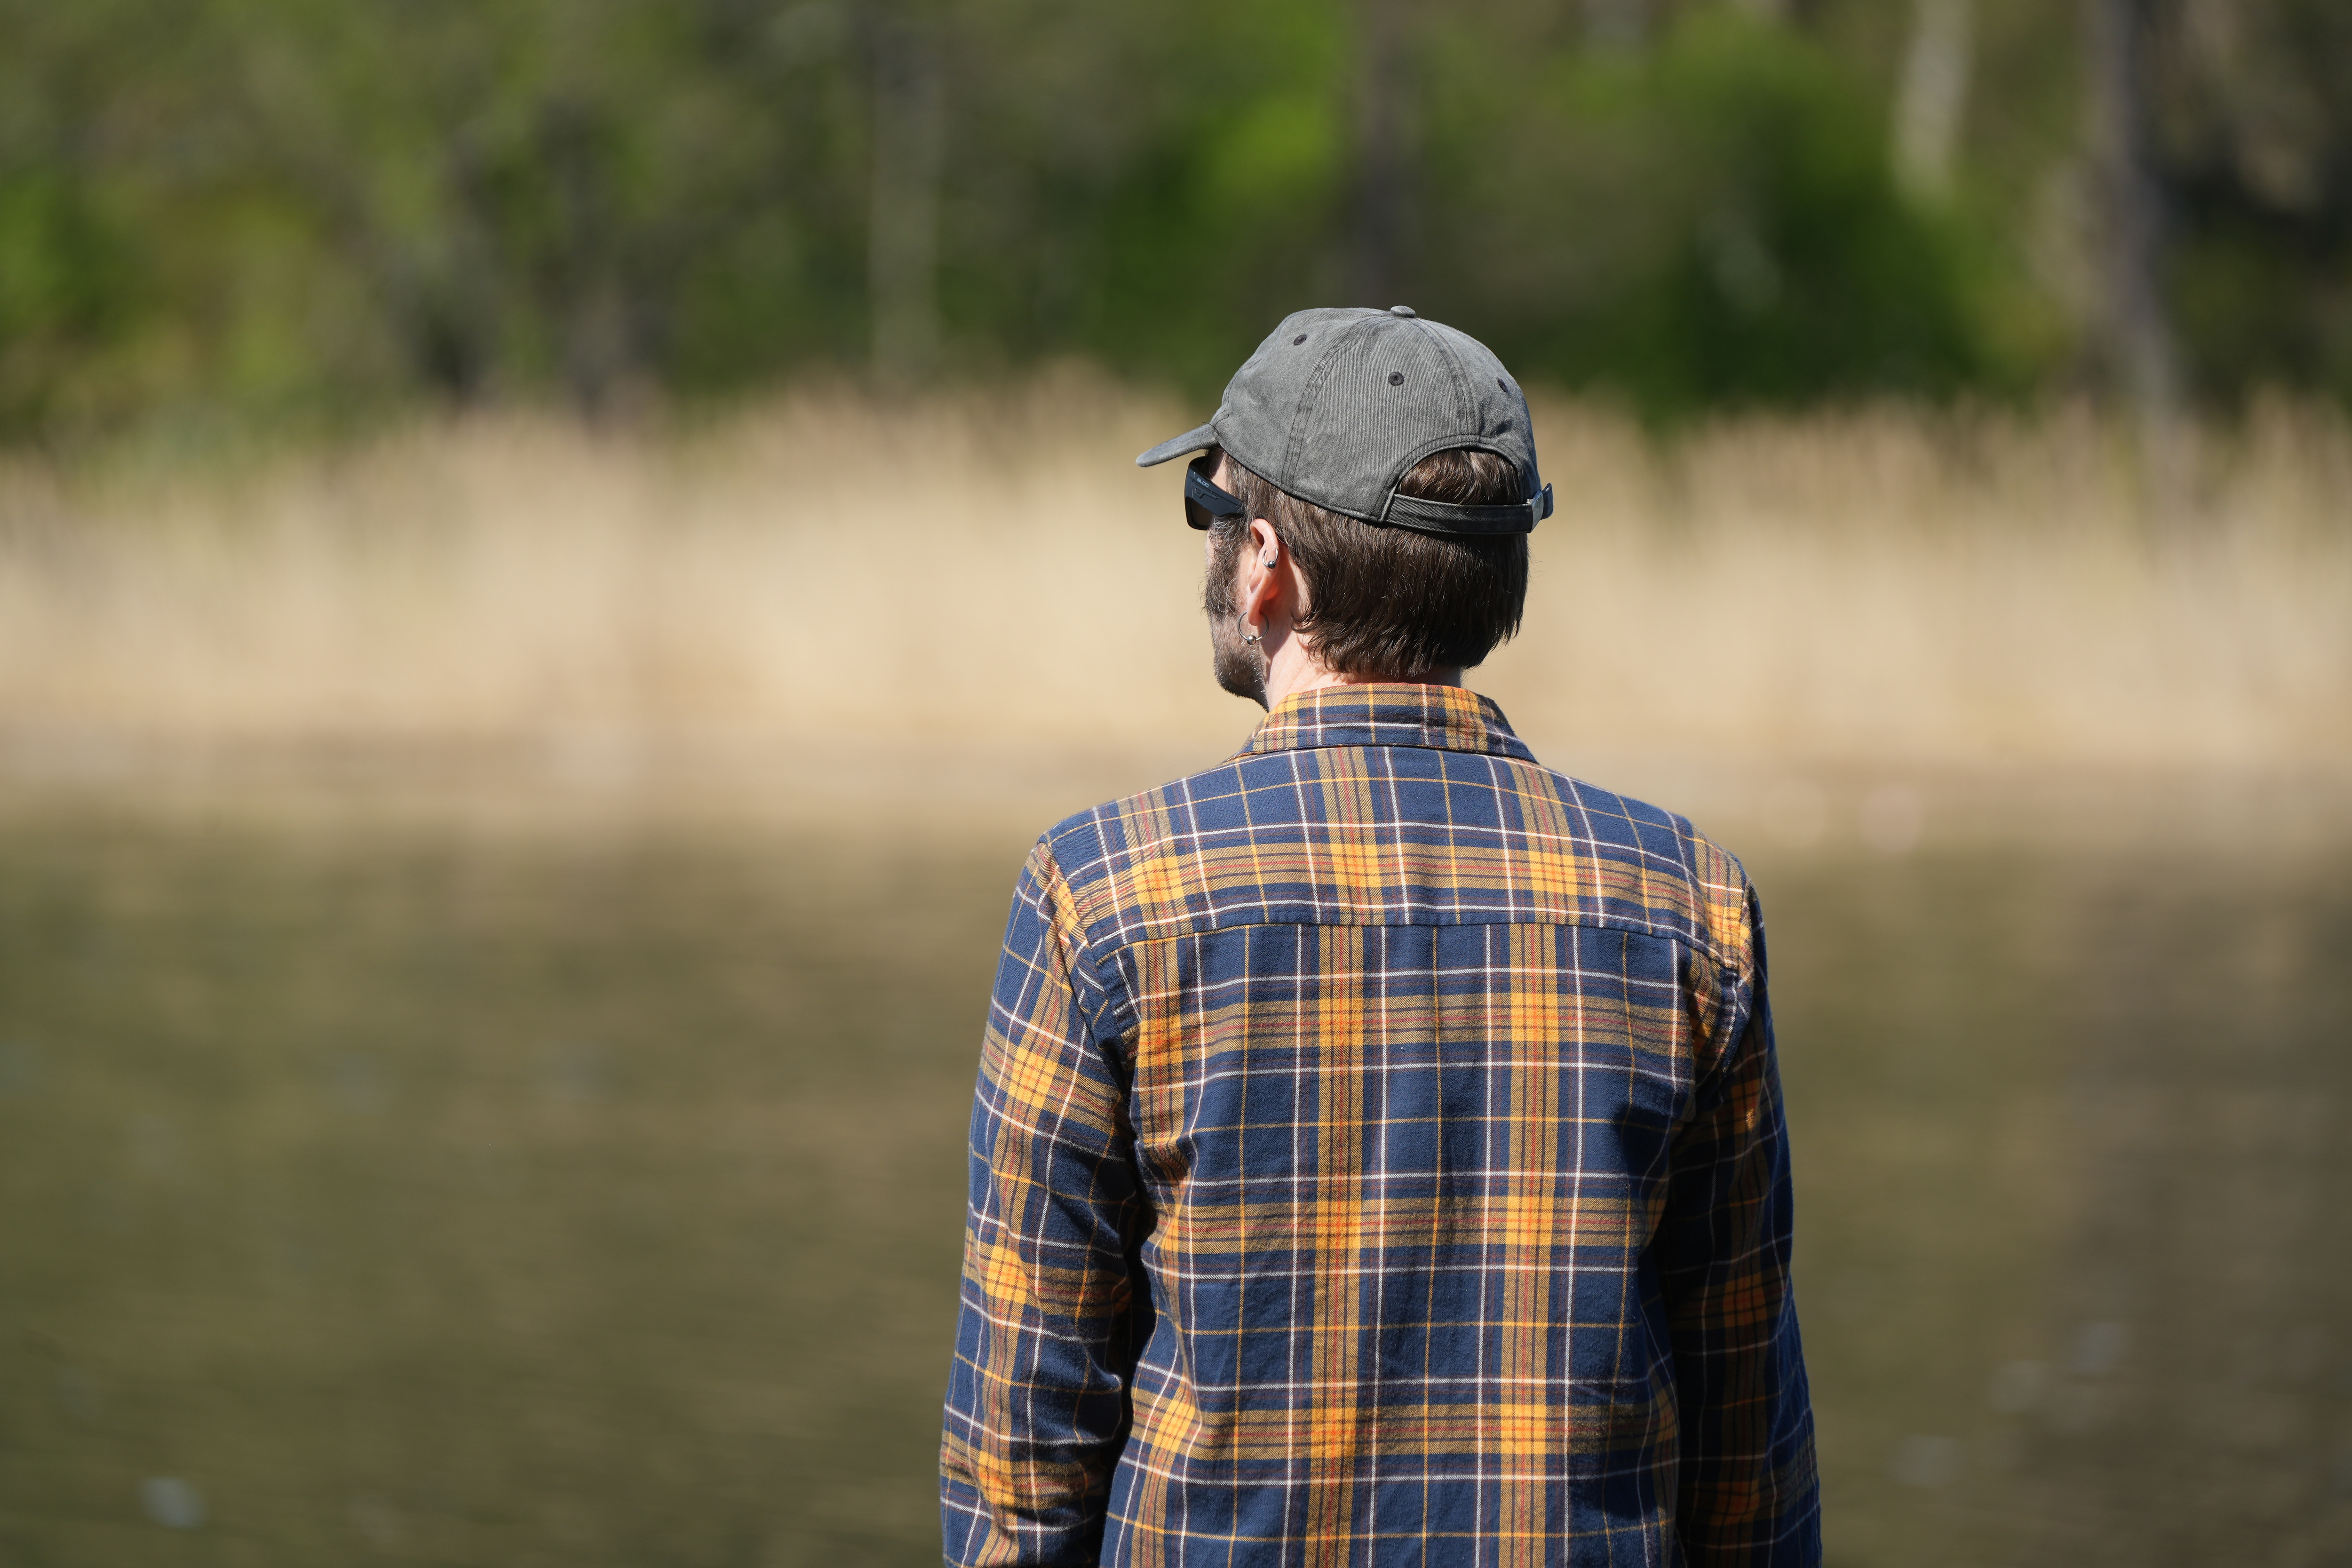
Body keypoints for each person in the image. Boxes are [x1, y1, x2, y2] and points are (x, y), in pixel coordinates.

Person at [941, 306, 1818, 1567]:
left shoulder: (1103, 894)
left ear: (1265, 566)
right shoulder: (1690, 906)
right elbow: (1750, 1457)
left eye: (1208, 507)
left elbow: (1022, 1459)